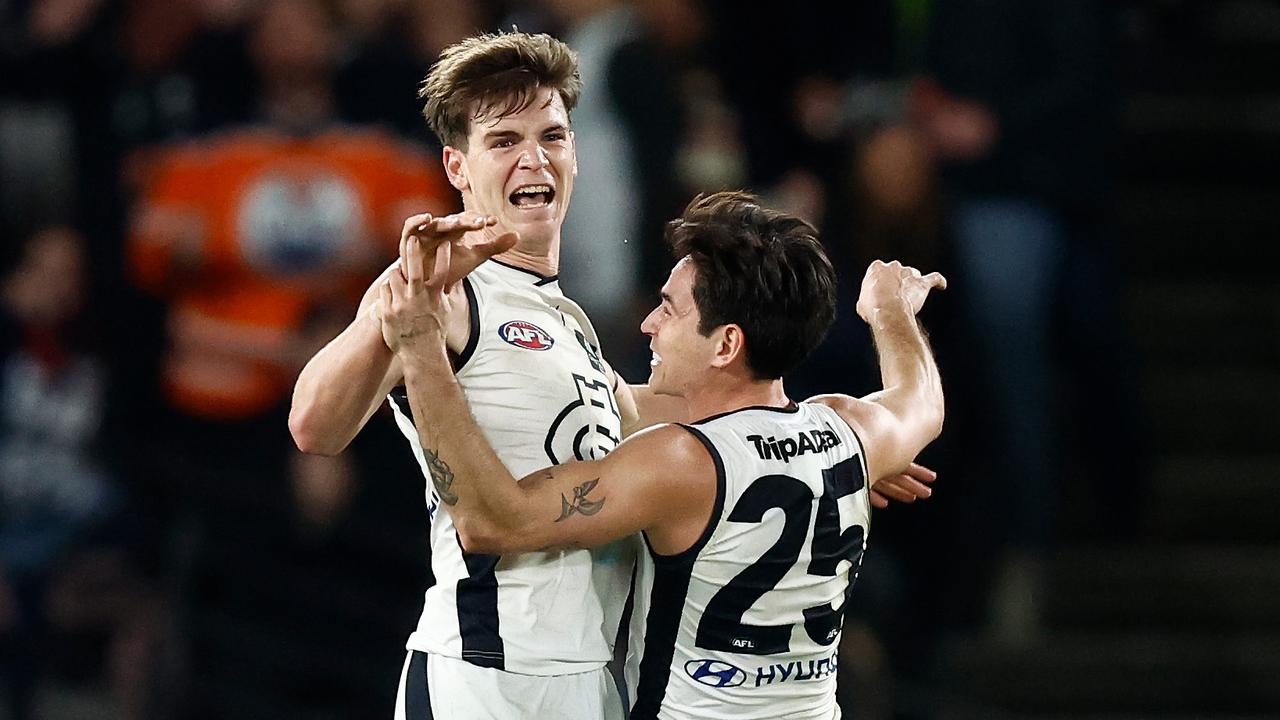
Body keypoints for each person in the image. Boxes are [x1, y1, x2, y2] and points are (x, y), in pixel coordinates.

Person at [290, 31, 937, 719]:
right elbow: (314, 425)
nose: (532, 158)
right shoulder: (441, 288)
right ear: (458, 166)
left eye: (551, 135)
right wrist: (390, 317)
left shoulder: (567, 322)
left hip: (595, 676)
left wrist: (815, 455)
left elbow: (656, 415)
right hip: (488, 673)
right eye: (504, 141)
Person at [377, 191, 946, 719]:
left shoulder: (680, 462)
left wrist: (421, 345)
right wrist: (890, 310)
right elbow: (922, 403)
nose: (648, 325)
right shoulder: (853, 431)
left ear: (726, 344)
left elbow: (490, 521)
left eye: (670, 310)